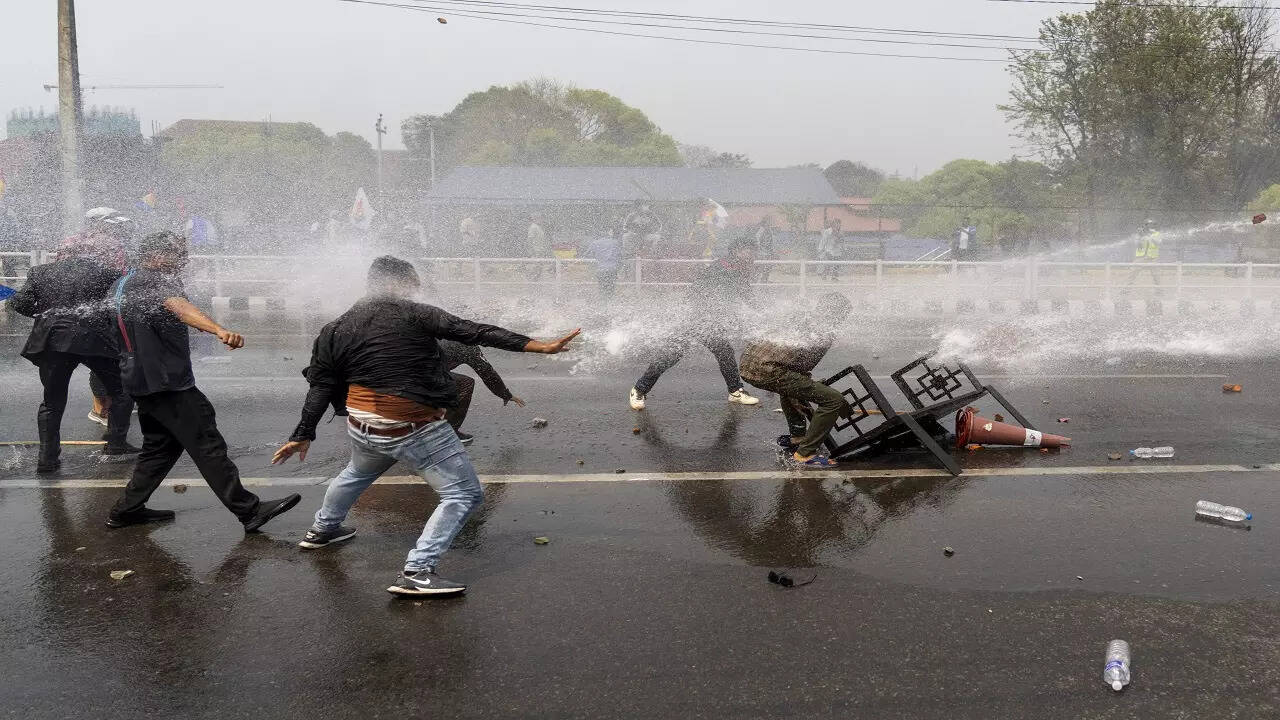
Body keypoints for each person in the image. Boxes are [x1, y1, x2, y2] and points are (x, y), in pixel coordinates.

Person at [270, 256, 579, 597]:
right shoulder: (415, 313)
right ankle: (417, 572)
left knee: (356, 473)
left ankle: (322, 530)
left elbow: (321, 384)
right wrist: (540, 346)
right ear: (397, 282)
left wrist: (302, 433)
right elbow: (475, 331)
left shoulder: (336, 327)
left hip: (361, 422)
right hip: (411, 424)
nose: (417, 288)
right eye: (412, 282)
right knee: (464, 494)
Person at [105, 231, 301, 531]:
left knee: (160, 447)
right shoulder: (156, 281)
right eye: (178, 254)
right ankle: (249, 510)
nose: (184, 261)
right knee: (206, 442)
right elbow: (179, 307)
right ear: (157, 256)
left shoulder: (121, 284)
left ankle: (126, 510)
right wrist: (219, 330)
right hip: (167, 383)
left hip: (139, 379)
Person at [10, 228, 138, 472]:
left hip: (53, 342)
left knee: (52, 401)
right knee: (122, 391)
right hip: (95, 341)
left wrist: (44, 316)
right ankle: (116, 444)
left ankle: (47, 458)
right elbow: (118, 305)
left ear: (61, 253)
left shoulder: (40, 272)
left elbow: (18, 303)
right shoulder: (105, 273)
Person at [629, 237, 762, 410]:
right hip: (698, 319)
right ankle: (639, 389)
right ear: (736, 252)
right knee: (672, 354)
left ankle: (735, 391)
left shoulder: (737, 270)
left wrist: (764, 312)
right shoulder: (722, 267)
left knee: (725, 353)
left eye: (753, 251)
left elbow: (747, 295)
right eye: (748, 250)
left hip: (710, 321)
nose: (751, 255)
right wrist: (703, 311)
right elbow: (697, 289)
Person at [739, 293, 854, 469]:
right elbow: (802, 368)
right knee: (834, 399)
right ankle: (805, 454)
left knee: (792, 385)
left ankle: (798, 437)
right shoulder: (824, 332)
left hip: (748, 366)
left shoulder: (802, 316)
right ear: (839, 316)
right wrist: (839, 403)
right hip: (766, 370)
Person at [439, 339, 526, 444]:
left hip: (423, 371)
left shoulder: (445, 334)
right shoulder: (468, 345)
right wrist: (506, 395)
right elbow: (487, 373)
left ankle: (426, 420)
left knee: (446, 378)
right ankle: (449, 432)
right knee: (465, 383)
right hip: (423, 375)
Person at [586, 226, 624, 298]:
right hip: (612, 269)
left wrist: (597, 256)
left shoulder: (595, 243)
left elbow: (587, 254)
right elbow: (620, 255)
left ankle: (603, 301)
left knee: (602, 288)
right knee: (611, 289)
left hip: (601, 269)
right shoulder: (615, 242)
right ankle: (610, 301)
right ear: (609, 233)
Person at [1129, 218, 1162, 289]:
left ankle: (1159, 291)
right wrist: (1140, 236)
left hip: (1152, 258)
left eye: (1151, 225)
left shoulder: (1157, 234)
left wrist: (1148, 235)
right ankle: (1125, 290)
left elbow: (1158, 243)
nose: (1149, 226)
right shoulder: (1139, 234)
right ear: (1144, 225)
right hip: (1141, 258)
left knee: (1156, 275)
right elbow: (1136, 244)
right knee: (1132, 273)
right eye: (1147, 225)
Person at [754, 216, 777, 283]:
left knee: (768, 267)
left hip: (768, 252)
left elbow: (772, 241)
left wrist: (773, 251)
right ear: (765, 222)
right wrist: (759, 249)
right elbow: (757, 239)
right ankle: (758, 281)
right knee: (762, 267)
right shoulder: (762, 229)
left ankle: (764, 280)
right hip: (763, 253)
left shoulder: (769, 229)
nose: (771, 222)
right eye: (769, 221)